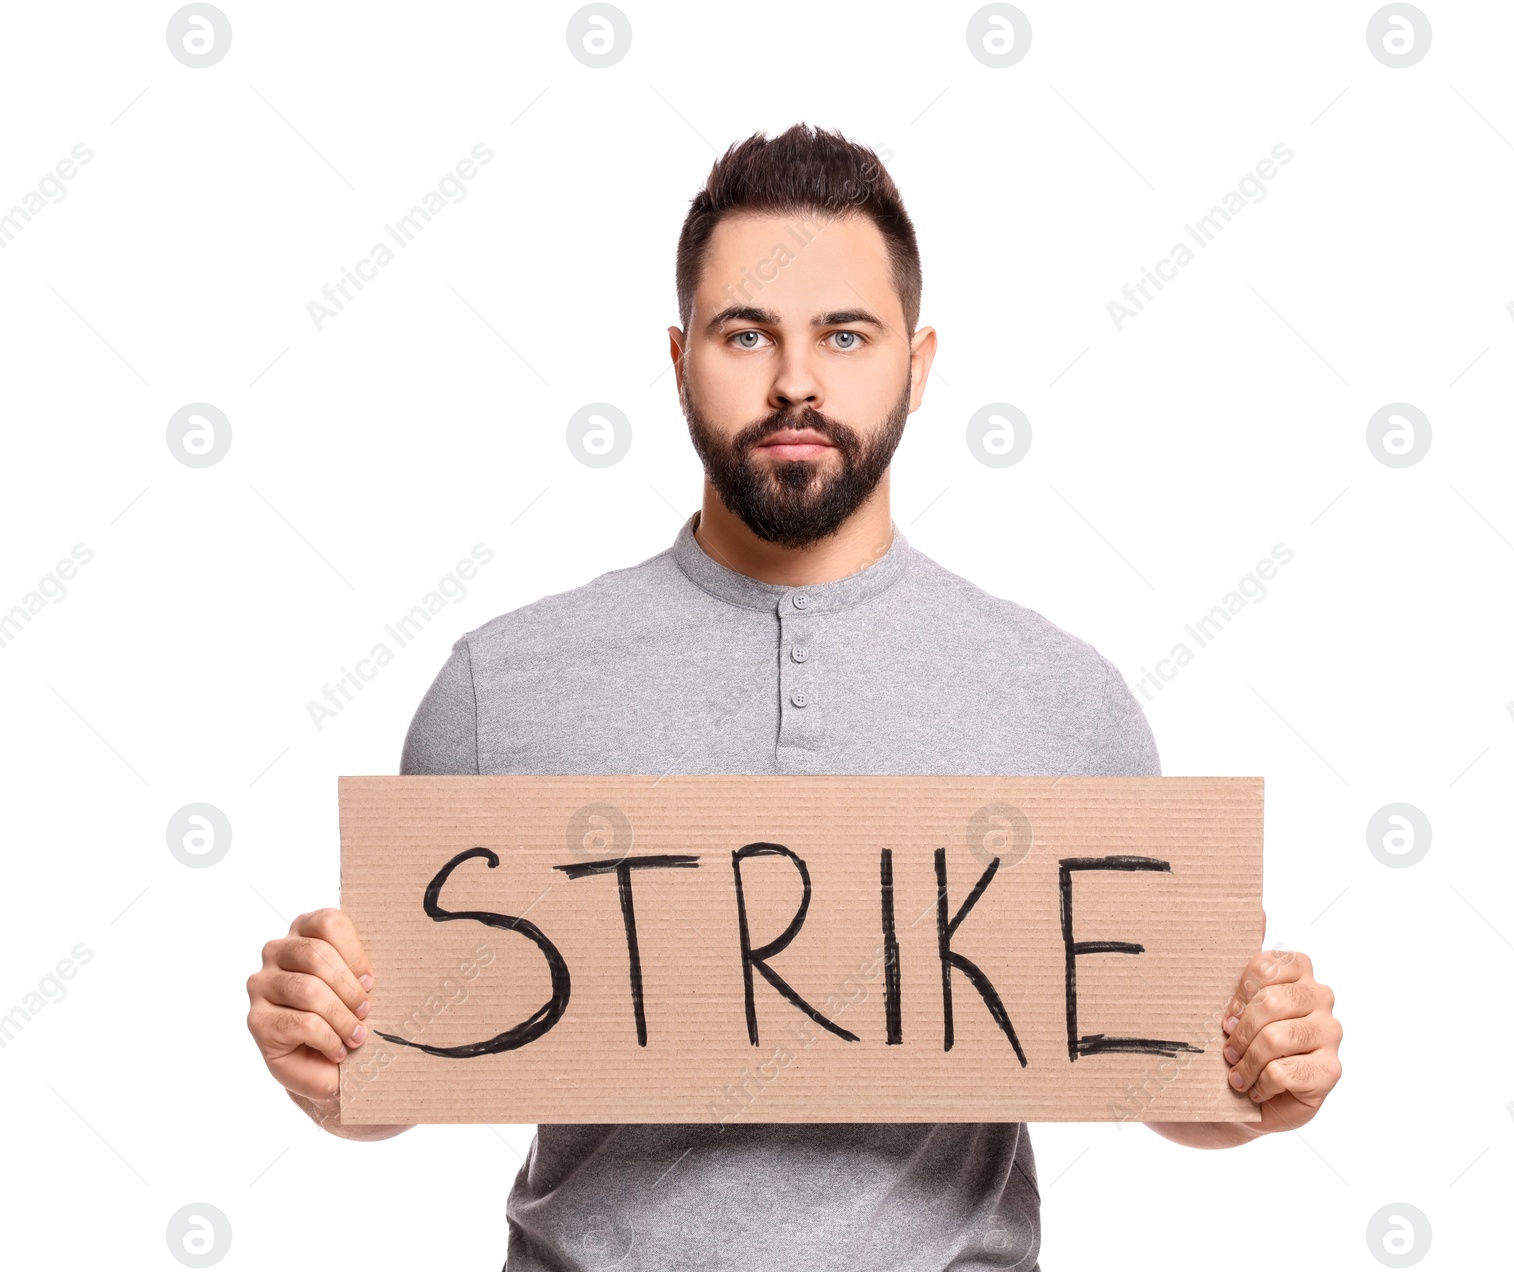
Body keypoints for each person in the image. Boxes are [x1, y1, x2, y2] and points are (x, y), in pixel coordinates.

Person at [246, 123, 1343, 1270]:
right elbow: (399, 1074)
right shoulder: (499, 688)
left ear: (916, 365)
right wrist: (318, 1045)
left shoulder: (1065, 701)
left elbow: (1155, 1070)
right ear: (678, 361)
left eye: (845, 335)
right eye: (744, 333)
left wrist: (1265, 1072)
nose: (796, 381)